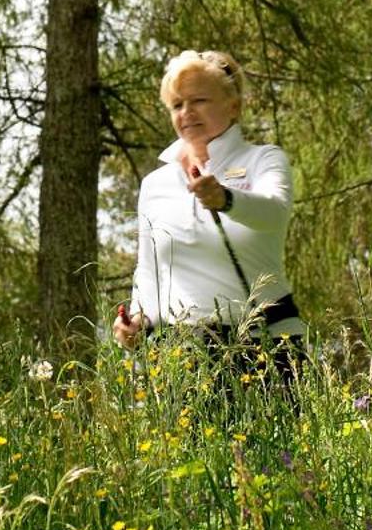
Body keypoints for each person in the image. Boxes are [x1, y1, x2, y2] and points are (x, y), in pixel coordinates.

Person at [113, 49, 303, 371]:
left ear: (234, 105)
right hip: (182, 357)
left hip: (267, 349)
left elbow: (274, 212)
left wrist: (226, 200)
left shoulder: (263, 159)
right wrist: (137, 321)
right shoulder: (155, 184)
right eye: (177, 105)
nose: (186, 112)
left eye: (199, 100)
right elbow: (148, 271)